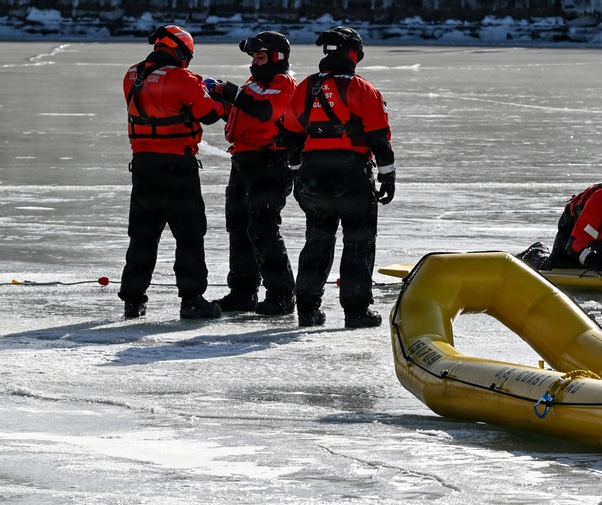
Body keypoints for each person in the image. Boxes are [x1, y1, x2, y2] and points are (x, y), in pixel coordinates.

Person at [283, 26, 395, 329]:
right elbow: (379, 139)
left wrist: (296, 174)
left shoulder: (306, 87)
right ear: (353, 54)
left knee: (317, 240)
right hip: (351, 173)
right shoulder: (362, 89)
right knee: (358, 241)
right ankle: (356, 311)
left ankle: (307, 308)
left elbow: (290, 136)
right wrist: (388, 176)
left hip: (313, 172)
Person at [119, 25, 225, 320]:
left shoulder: (132, 74)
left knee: (142, 234)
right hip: (177, 167)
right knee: (189, 235)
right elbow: (210, 114)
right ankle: (192, 300)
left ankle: (132, 298)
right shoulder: (182, 77)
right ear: (180, 51)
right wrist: (217, 95)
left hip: (143, 166)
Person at [207, 31, 297, 316]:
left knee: (263, 229)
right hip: (243, 160)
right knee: (239, 227)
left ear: (276, 58)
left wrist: (231, 92)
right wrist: (218, 99)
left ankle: (281, 295)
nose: (255, 63)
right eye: (254, 58)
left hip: (270, 162)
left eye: (260, 57)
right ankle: (243, 293)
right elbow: (241, 114)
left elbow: (265, 112)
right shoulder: (255, 83)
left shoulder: (284, 83)